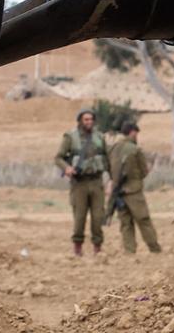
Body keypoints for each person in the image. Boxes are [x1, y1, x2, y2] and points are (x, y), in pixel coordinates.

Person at [55, 108, 108, 256]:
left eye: (91, 119)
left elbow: (107, 158)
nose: (89, 122)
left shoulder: (99, 137)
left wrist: (111, 181)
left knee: (98, 217)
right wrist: (67, 168)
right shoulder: (71, 137)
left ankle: (97, 248)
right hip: (79, 183)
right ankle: (77, 248)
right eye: (86, 119)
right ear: (80, 121)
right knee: (79, 217)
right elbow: (58, 158)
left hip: (97, 181)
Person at [106, 121, 161, 254]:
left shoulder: (113, 148)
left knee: (125, 223)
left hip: (118, 193)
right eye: (136, 133)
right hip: (133, 191)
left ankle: (129, 251)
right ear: (132, 132)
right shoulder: (135, 149)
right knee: (144, 221)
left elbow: (109, 169)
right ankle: (154, 249)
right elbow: (144, 171)